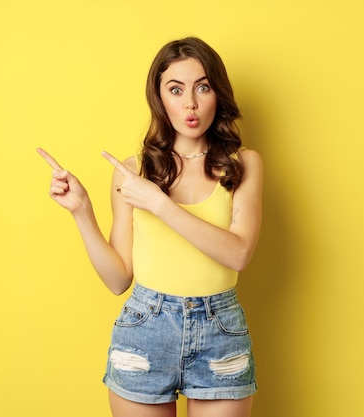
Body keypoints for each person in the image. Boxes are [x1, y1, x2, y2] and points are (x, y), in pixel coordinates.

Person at [37, 37, 263, 417]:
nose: (190, 103)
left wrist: (159, 203)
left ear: (217, 94)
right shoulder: (133, 172)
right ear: (160, 98)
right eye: (175, 90)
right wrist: (82, 211)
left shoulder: (243, 165)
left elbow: (239, 253)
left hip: (220, 332)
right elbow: (117, 279)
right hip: (145, 328)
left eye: (202, 87)